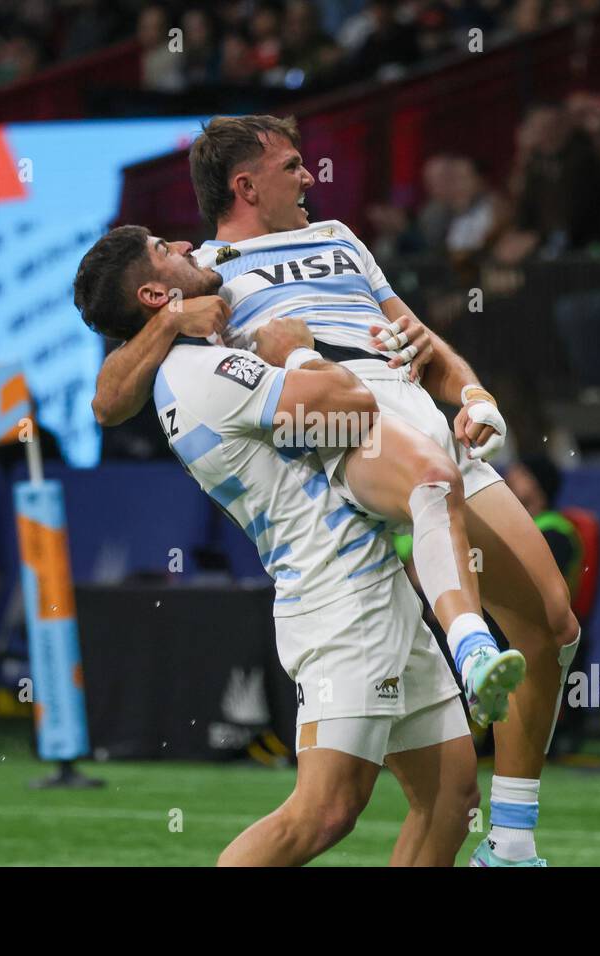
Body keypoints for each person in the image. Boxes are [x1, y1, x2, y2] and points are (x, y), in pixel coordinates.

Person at [90, 115, 581, 867]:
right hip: (349, 448)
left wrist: (473, 392)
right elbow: (110, 396)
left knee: (551, 626)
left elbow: (414, 334)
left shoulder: (341, 239)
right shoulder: (210, 276)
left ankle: (512, 842)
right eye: (293, 166)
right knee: (326, 811)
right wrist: (178, 323)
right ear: (246, 185)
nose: (310, 176)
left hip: (414, 422)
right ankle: (471, 643)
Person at [74, 227, 478, 867]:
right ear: (154, 294)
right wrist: (296, 352)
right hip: (339, 597)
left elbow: (106, 398)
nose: (183, 244)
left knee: (451, 795)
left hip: (371, 585)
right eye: (161, 248)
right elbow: (349, 403)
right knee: (324, 813)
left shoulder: (182, 356)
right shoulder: (198, 369)